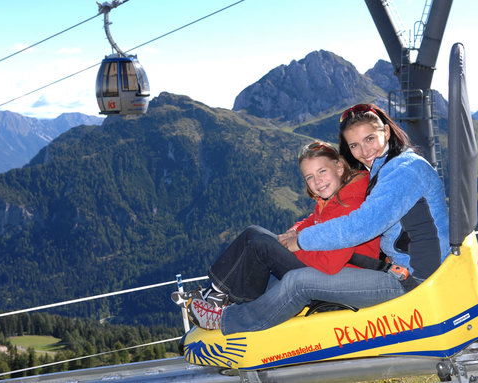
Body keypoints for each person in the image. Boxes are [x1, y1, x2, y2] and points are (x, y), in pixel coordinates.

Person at [184, 103, 449, 335]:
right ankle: (231, 303)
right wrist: (296, 234)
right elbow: (324, 217)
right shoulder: (385, 170)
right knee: (266, 250)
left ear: (387, 132)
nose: (363, 151)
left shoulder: (405, 171)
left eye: (370, 139)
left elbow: (361, 226)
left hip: (413, 281)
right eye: (354, 145)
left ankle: (228, 321)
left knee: (299, 282)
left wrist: (300, 241)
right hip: (398, 272)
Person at [175, 140, 380, 330]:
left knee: (261, 244)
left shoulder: (350, 202)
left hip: (339, 275)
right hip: (329, 268)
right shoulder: (337, 195)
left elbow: (330, 263)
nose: (317, 182)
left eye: (322, 171)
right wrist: (294, 231)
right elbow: (313, 220)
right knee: (253, 233)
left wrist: (294, 246)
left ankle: (223, 304)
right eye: (309, 177)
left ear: (339, 167)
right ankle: (216, 295)